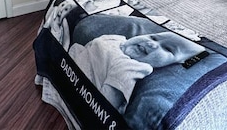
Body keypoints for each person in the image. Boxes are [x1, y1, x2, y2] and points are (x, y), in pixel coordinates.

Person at [68, 31, 205, 114]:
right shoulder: (117, 39)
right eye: (153, 37)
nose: (152, 44)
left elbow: (104, 104)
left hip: (75, 90)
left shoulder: (133, 67)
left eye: (168, 49)